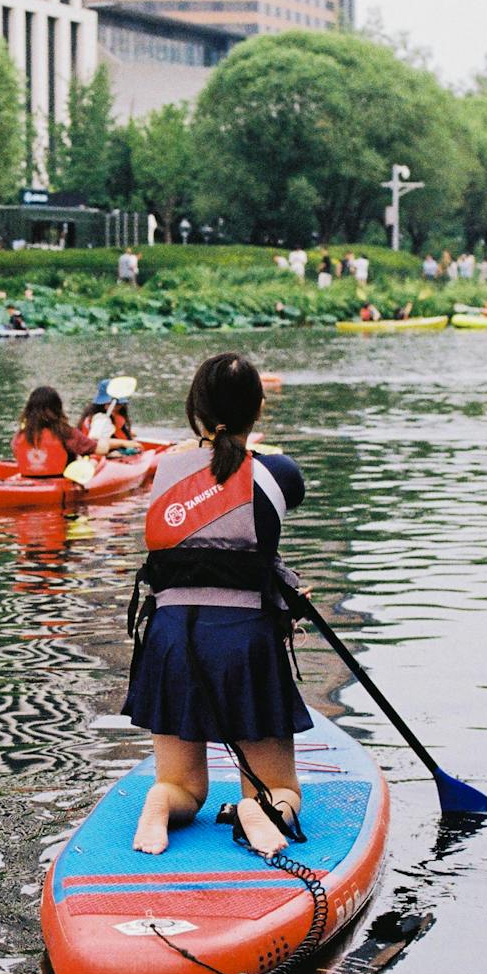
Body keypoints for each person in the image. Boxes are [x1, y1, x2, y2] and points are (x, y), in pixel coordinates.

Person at [125, 352, 308, 856]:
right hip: (242, 641)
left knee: (185, 786)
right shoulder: (278, 472)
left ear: (194, 410)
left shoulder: (164, 471)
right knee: (279, 788)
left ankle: (162, 802)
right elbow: (258, 512)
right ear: (260, 409)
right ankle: (260, 807)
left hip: (169, 639)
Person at [14, 386, 111, 476]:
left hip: (29, 480)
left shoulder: (21, 434)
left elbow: (16, 452)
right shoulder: (66, 432)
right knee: (93, 460)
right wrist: (103, 440)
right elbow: (101, 450)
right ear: (57, 408)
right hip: (61, 482)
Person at [78, 380, 136, 445]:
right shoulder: (100, 418)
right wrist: (123, 443)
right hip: (98, 452)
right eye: (109, 403)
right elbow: (95, 441)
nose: (114, 407)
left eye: (118, 404)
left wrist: (127, 434)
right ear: (101, 403)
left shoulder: (114, 414)